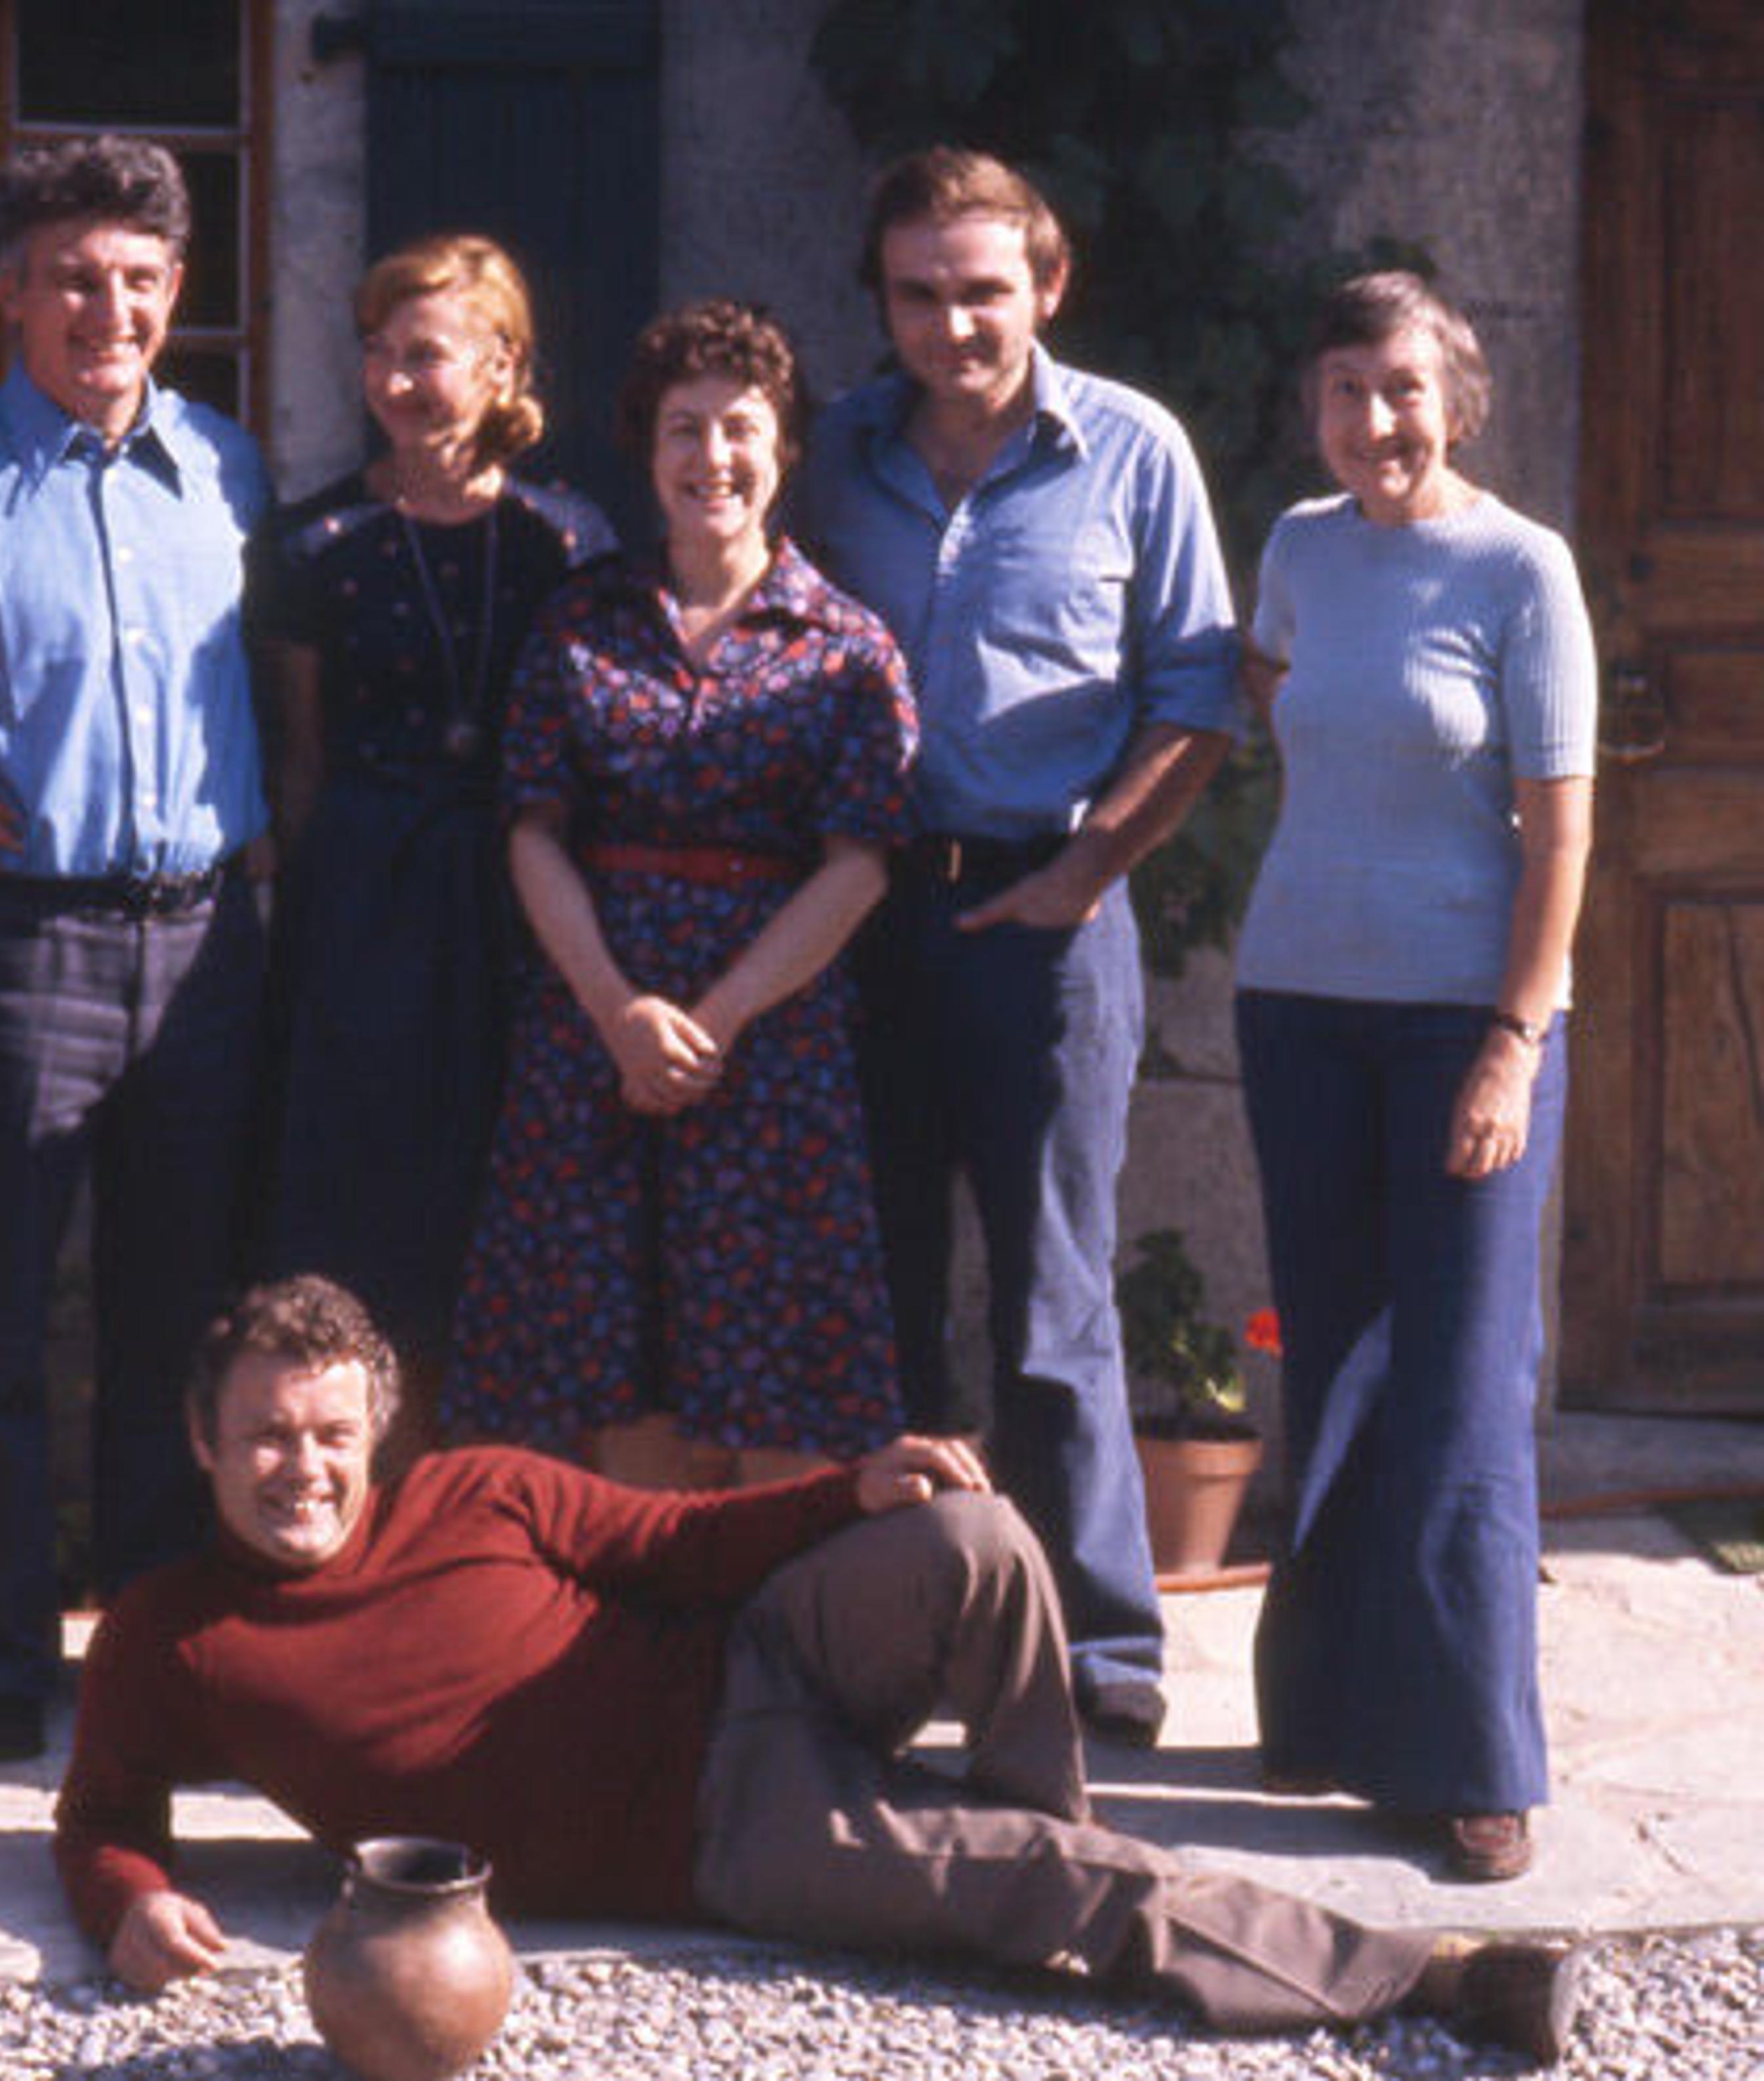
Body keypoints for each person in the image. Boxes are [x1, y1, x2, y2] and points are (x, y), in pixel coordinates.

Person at [53, 1275, 1584, 2067]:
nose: (301, 1470)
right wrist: (127, 1898)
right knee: (1044, 1877)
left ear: (376, 1427)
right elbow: (100, 1808)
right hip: (717, 1835)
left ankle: (1019, 1856)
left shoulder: (483, 1490)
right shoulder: (174, 1634)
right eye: (265, 1436)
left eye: (329, 1434)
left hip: (758, 1661)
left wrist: (854, 1488)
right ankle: (1417, 1980)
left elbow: (684, 1540)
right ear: (205, 1441)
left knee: (975, 1534)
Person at [798, 148, 1243, 1741]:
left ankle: (1102, 1654)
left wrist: (1090, 867)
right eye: (917, 293)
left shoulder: (1130, 449)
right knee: (880, 1286)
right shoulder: (831, 450)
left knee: (1054, 1301)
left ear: (1044, 287)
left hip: (1046, 921)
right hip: (862, 916)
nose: (950, 324)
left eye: (982, 290)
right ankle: (909, 1633)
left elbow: (1198, 694)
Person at [0, 137, 271, 1763]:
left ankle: (162, 1647)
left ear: (178, 294)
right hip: (19, 949)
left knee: (183, 1325)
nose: (111, 307)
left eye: (141, 279)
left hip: (209, 945)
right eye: (75, 276)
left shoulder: (228, 471)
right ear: (7, 288)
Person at [1235, 274, 1595, 1883]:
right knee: (1339, 1363)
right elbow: (1273, 694)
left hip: (1466, 1022)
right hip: (1298, 1005)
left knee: (1459, 1382)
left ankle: (1471, 1762)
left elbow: (1564, 835)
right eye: (1342, 393)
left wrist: (1513, 1041)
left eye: (1398, 389)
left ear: (1455, 394)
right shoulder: (1303, 550)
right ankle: (1320, 1718)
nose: (1371, 423)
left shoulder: (1525, 568)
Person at [445, 300, 913, 1488]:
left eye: (741, 428)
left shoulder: (849, 646)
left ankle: (770, 1649)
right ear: (646, 452)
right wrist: (619, 1013)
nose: (714, 458)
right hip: (596, 1025)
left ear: (787, 448)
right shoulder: (579, 620)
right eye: (682, 430)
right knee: (612, 1343)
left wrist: (719, 1020)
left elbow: (859, 862)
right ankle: (638, 1644)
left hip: (773, 1037)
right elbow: (533, 830)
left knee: (772, 1355)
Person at [256, 233, 614, 1405]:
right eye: (376, 353)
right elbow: (303, 763)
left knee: (510, 1189)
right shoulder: (314, 545)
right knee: (363, 1195)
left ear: (503, 365)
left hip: (524, 896)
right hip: (368, 896)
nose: (396, 381)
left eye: (427, 354)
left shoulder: (567, 541)